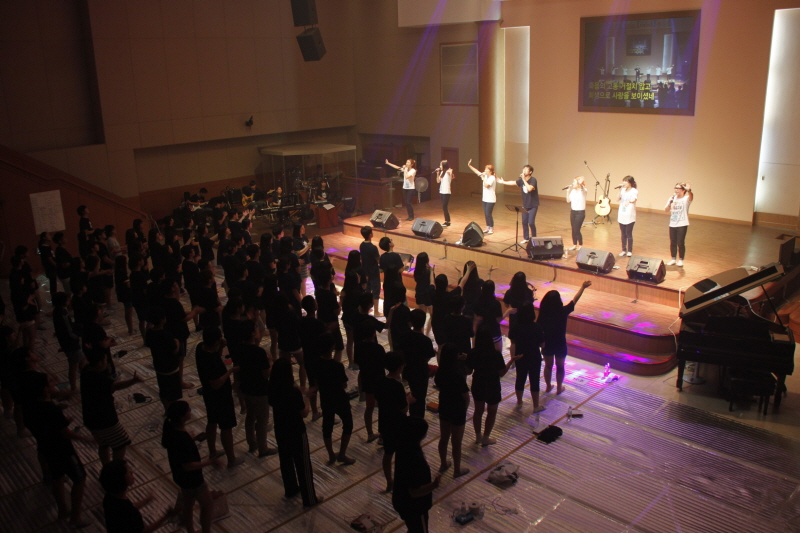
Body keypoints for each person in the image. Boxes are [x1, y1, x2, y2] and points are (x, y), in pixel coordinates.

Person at [24, 372, 93, 528]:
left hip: (46, 447)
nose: (54, 384)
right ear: (44, 389)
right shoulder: (51, 409)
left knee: (57, 478)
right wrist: (87, 439)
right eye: (50, 382)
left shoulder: (29, 405)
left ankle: (62, 510)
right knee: (80, 479)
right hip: (62, 449)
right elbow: (65, 433)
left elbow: (45, 425)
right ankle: (75, 518)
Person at [161, 401, 221, 533]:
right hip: (192, 479)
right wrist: (210, 462)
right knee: (207, 504)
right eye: (188, 410)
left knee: (188, 505)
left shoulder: (172, 432)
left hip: (180, 477)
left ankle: (190, 530)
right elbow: (188, 466)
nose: (190, 411)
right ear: (182, 417)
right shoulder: (182, 439)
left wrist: (190, 439)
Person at [269, 358, 322, 507]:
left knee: (286, 461)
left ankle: (290, 488)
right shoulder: (292, 393)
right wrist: (307, 398)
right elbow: (304, 413)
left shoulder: (273, 388)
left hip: (280, 429)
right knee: (303, 465)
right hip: (296, 430)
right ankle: (309, 498)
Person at [194, 327, 245, 468]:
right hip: (220, 396)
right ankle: (231, 459)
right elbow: (216, 383)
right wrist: (231, 371)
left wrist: (220, 347)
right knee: (226, 427)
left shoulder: (200, 348)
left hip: (208, 394)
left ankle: (213, 452)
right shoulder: (210, 360)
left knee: (212, 421)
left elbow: (215, 355)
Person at [80, 349, 141, 464]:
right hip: (104, 418)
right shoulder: (98, 378)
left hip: (89, 416)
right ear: (99, 363)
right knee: (121, 443)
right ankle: (116, 469)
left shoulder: (86, 371)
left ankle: (107, 466)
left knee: (103, 444)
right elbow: (114, 386)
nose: (106, 362)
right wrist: (133, 381)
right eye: (105, 360)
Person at [467, 325, 520, 446]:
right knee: (492, 412)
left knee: (478, 411)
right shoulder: (495, 354)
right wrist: (511, 361)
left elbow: (468, 371)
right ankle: (486, 438)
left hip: (478, 383)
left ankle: (478, 436)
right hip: (492, 384)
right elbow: (501, 373)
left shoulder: (473, 353)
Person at [538, 281, 591, 395]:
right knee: (560, 366)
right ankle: (559, 388)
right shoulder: (563, 311)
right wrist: (582, 287)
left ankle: (548, 387)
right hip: (560, 343)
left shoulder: (543, 313)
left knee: (548, 366)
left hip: (547, 343)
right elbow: (574, 300)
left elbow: (538, 328)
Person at [312, 334, 356, 465]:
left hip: (326, 398)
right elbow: (344, 384)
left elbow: (316, 383)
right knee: (348, 424)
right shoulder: (337, 366)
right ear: (332, 347)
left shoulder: (317, 365)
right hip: (339, 398)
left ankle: (331, 454)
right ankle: (342, 453)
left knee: (327, 427)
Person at [237, 319, 278, 458]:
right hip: (259, 389)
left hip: (245, 387)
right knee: (261, 420)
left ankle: (252, 443)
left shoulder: (239, 349)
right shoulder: (258, 352)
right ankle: (263, 448)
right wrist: (270, 362)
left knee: (250, 416)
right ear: (252, 333)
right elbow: (266, 373)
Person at [392, 416, 439, 533]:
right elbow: (414, 492)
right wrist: (434, 485)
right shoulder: (414, 459)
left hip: (401, 500)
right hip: (414, 507)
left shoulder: (403, 447)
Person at [100, 459, 171, 533]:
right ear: (120, 480)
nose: (131, 472)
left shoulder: (109, 497)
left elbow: (130, 507)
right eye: (127, 472)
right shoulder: (130, 512)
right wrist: (166, 516)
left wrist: (147, 500)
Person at [434, 343, 470, 478]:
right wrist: (464, 409)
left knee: (444, 438)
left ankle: (443, 463)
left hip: (444, 405)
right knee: (456, 442)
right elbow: (466, 397)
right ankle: (457, 469)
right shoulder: (458, 374)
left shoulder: (440, 372)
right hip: (457, 409)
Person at [508, 302, 545, 410]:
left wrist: (513, 358)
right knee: (534, 380)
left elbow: (513, 343)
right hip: (534, 356)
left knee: (520, 378)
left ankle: (519, 402)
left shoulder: (515, 326)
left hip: (520, 356)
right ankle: (536, 406)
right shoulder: (536, 327)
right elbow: (542, 344)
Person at [354, 320, 385, 443]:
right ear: (374, 333)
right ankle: (382, 435)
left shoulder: (358, 347)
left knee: (369, 407)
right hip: (379, 380)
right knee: (382, 408)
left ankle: (370, 433)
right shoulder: (378, 348)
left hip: (367, 380)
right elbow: (384, 364)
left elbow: (358, 363)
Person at [145, 307, 182, 411]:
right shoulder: (166, 335)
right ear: (162, 320)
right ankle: (174, 412)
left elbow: (148, 344)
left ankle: (167, 409)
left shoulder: (150, 333)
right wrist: (177, 342)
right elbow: (174, 350)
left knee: (163, 391)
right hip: (171, 367)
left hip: (159, 366)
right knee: (173, 393)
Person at [403, 309, 436, 419]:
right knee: (420, 398)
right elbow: (428, 356)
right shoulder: (426, 341)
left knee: (409, 395)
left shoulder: (406, 336)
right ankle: (418, 420)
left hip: (408, 369)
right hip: (421, 371)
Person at [497, 164, 539, 243]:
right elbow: (513, 182)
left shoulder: (533, 180)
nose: (524, 170)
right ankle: (526, 238)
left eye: (526, 169)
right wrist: (503, 182)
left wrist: (523, 180)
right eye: (523, 169)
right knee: (524, 222)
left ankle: (534, 239)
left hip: (533, 205)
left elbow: (529, 189)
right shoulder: (521, 181)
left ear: (530, 172)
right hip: (525, 205)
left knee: (531, 222)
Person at [52, 292, 85, 391]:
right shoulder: (63, 314)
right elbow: (69, 330)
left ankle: (79, 384)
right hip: (70, 343)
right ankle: (74, 387)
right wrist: (78, 335)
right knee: (74, 365)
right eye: (68, 299)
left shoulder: (56, 311)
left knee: (79, 362)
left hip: (65, 342)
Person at [665, 181, 693, 266]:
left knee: (680, 242)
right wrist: (670, 203)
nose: (676, 190)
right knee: (673, 242)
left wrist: (689, 190)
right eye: (675, 188)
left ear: (683, 190)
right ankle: (673, 259)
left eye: (678, 188)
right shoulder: (672, 198)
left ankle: (681, 259)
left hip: (682, 223)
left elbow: (691, 197)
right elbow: (666, 210)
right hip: (672, 223)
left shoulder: (686, 199)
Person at [467, 159, 497, 234]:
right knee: (485, 214)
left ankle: (491, 228)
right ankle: (487, 227)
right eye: (485, 169)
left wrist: (483, 178)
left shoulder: (492, 178)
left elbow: (487, 185)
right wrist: (470, 166)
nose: (485, 170)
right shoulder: (485, 176)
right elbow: (477, 172)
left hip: (491, 199)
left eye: (486, 169)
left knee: (488, 213)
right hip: (485, 198)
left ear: (490, 171)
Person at [379, 236, 406, 312]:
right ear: (390, 244)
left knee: (388, 300)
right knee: (398, 301)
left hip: (387, 282)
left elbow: (381, 269)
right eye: (391, 240)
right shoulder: (396, 256)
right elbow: (400, 270)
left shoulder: (382, 256)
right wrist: (405, 264)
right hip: (397, 281)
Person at [565, 176, 588, 257]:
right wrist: (567, 192)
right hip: (573, 212)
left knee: (576, 229)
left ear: (578, 183)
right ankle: (574, 244)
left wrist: (580, 182)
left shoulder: (583, 191)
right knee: (573, 229)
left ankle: (580, 245)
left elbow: (582, 187)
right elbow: (568, 200)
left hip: (580, 213)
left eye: (574, 182)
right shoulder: (573, 191)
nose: (572, 183)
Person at [413, 252, 434, 335]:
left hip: (419, 293)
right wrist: (432, 271)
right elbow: (432, 283)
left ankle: (421, 333)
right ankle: (427, 334)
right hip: (428, 294)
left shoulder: (416, 271)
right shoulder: (428, 272)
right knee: (432, 315)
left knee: (422, 316)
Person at [617, 175, 638, 257]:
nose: (624, 183)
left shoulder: (634, 191)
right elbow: (617, 199)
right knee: (623, 234)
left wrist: (629, 201)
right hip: (621, 214)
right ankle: (623, 250)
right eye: (623, 181)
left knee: (628, 234)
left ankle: (629, 250)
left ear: (630, 183)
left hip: (629, 215)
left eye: (626, 181)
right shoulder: (622, 190)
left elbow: (634, 199)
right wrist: (619, 190)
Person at [114, 255, 135, 336]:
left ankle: (130, 329)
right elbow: (128, 285)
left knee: (128, 311)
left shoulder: (117, 271)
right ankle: (131, 330)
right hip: (126, 294)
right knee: (129, 312)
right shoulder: (122, 273)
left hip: (122, 293)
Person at [435, 160, 454, 226]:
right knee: (444, 207)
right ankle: (447, 220)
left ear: (444, 165)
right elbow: (438, 181)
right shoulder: (442, 172)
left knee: (444, 206)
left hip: (446, 191)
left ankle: (447, 221)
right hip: (441, 191)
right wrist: (437, 173)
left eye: (441, 165)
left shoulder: (448, 171)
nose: (440, 166)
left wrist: (450, 170)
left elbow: (451, 173)